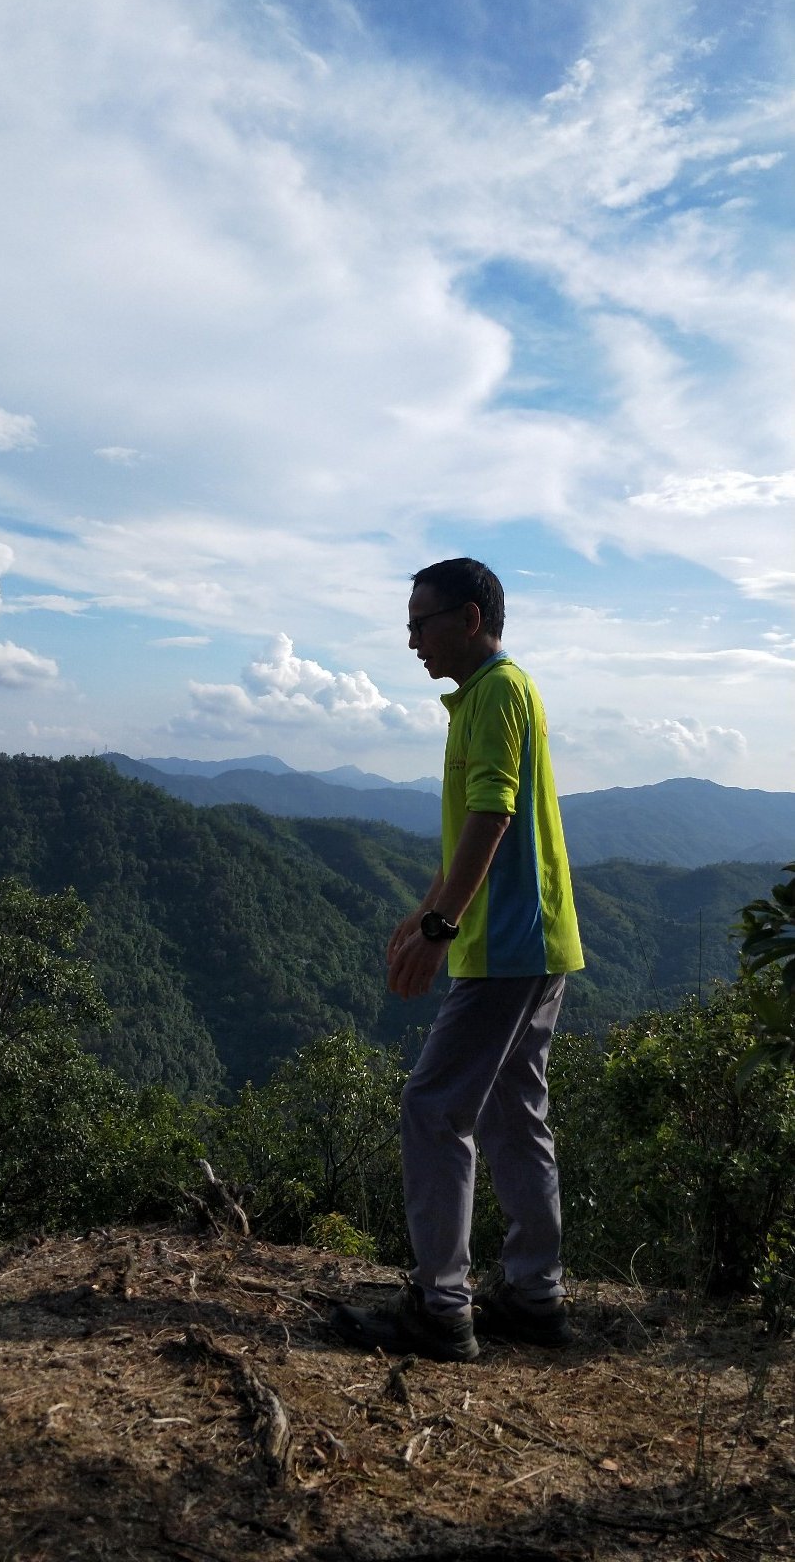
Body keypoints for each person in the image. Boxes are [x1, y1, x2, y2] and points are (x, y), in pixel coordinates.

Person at [331, 557, 584, 1362]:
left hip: (506, 945)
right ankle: (535, 1297)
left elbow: (492, 816)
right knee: (516, 1113)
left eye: (421, 622)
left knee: (433, 1109)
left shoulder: (498, 693)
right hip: (534, 939)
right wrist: (422, 912)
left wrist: (442, 927)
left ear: (469, 619)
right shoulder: (487, 695)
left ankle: (442, 1307)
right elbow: (471, 826)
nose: (411, 641)